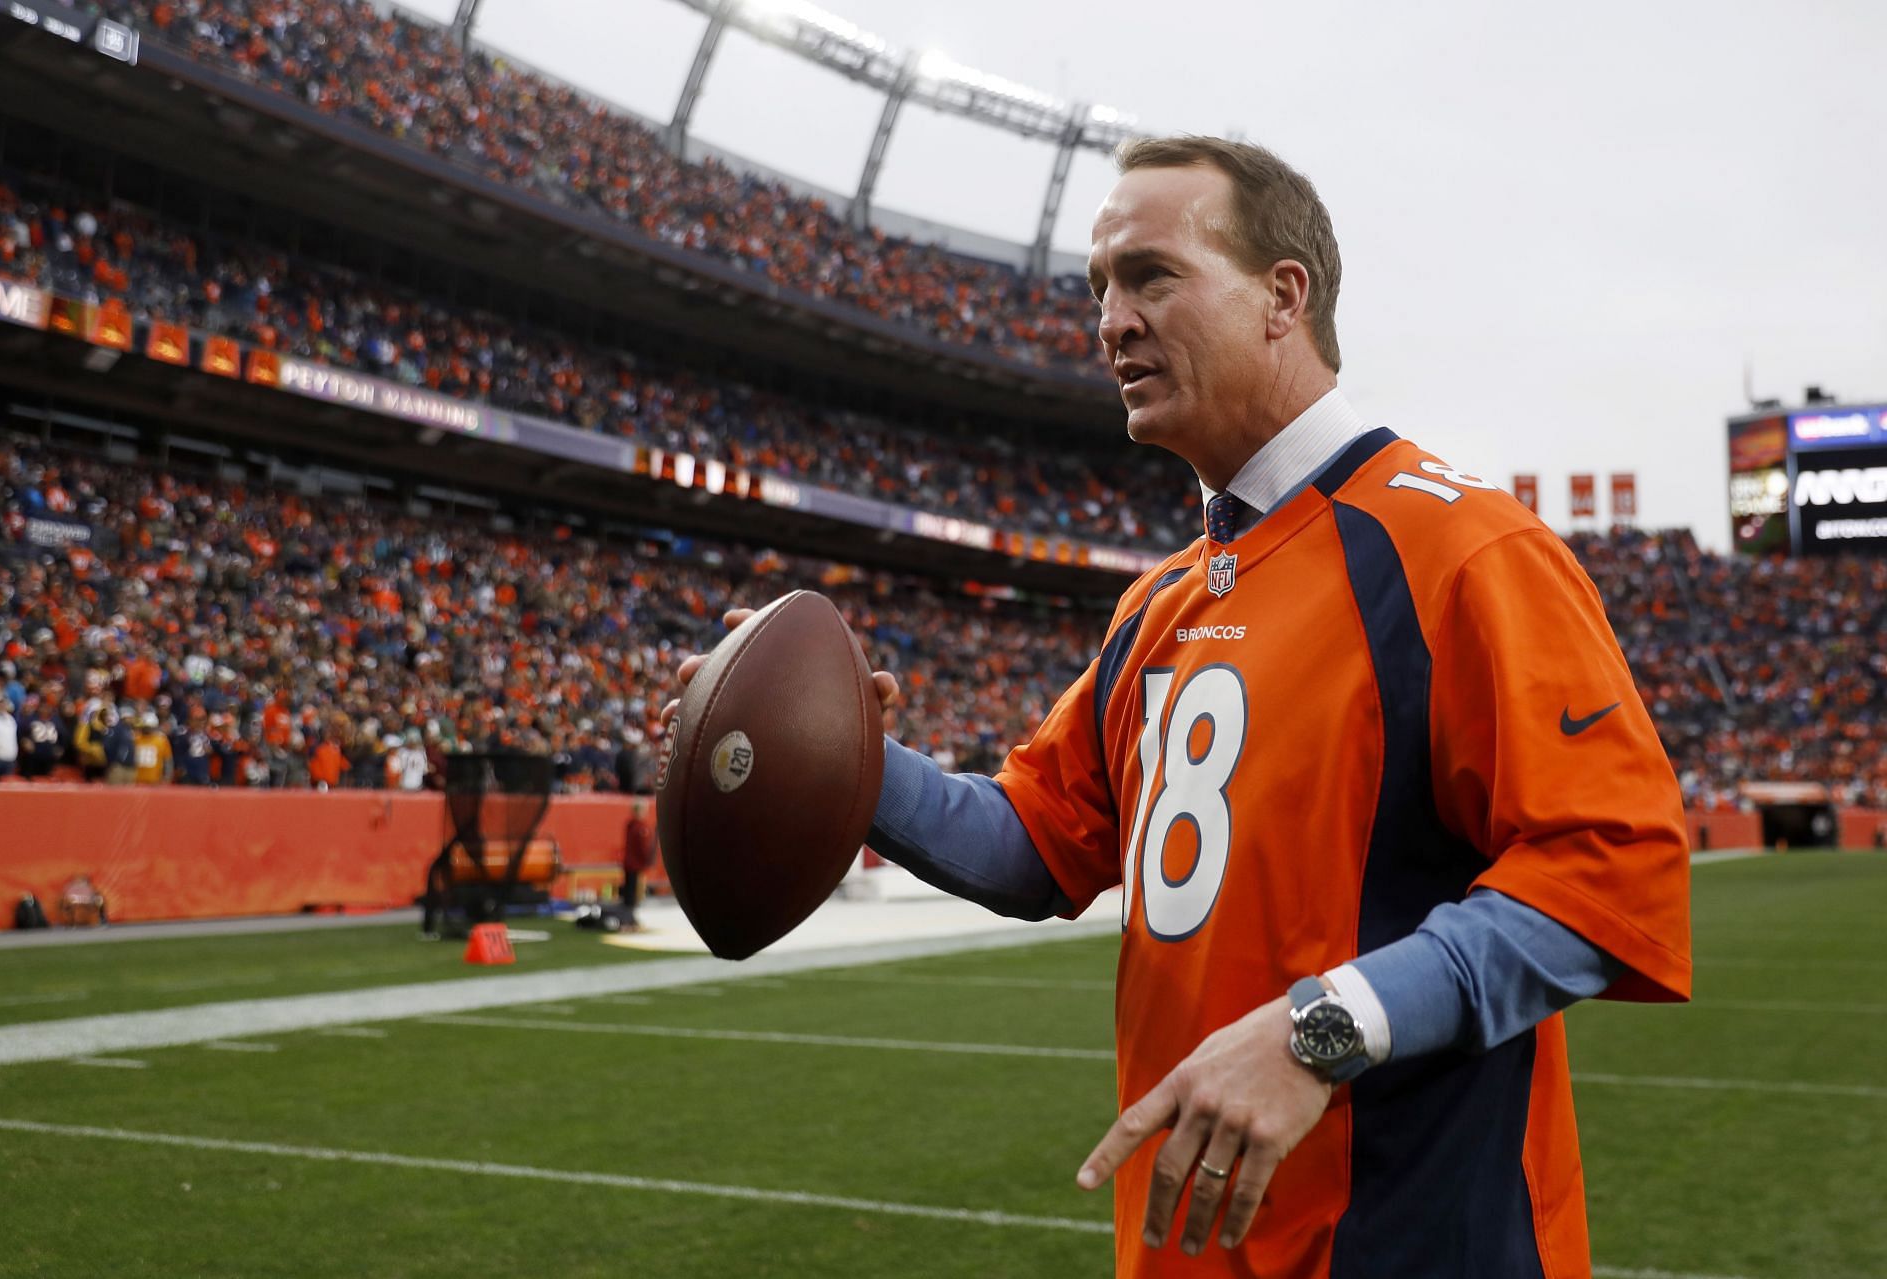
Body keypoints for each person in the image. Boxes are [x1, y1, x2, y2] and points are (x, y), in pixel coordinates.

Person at [665, 137, 1690, 1278]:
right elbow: (1039, 842)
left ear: (1281, 299)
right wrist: (840, 752)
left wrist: (1324, 1028)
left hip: (1407, 1241)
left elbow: (1614, 866)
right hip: (1191, 1247)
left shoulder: (1460, 546)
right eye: (1100, 287)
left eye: (1152, 275)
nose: (1110, 320)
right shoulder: (1158, 600)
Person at [620, 800, 655, 929]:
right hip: (635, 864)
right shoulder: (640, 828)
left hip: (629, 863)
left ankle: (628, 918)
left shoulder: (630, 825)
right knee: (633, 892)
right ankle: (630, 919)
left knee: (629, 891)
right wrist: (647, 861)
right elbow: (643, 848)